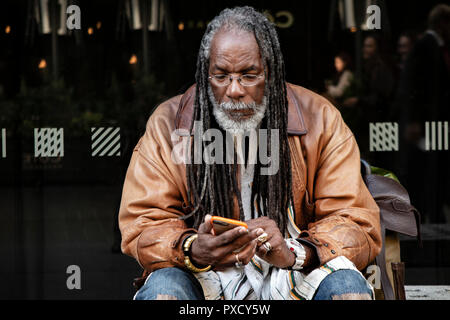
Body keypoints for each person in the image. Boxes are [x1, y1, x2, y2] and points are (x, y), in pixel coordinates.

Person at [118, 6, 381, 300]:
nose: (234, 90)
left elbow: (354, 221)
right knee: (163, 291)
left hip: (293, 270)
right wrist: (191, 247)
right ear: (205, 75)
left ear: (271, 71)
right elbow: (143, 223)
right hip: (205, 273)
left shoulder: (321, 117)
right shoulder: (168, 125)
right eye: (221, 76)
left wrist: (297, 251)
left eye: (248, 75)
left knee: (348, 291)